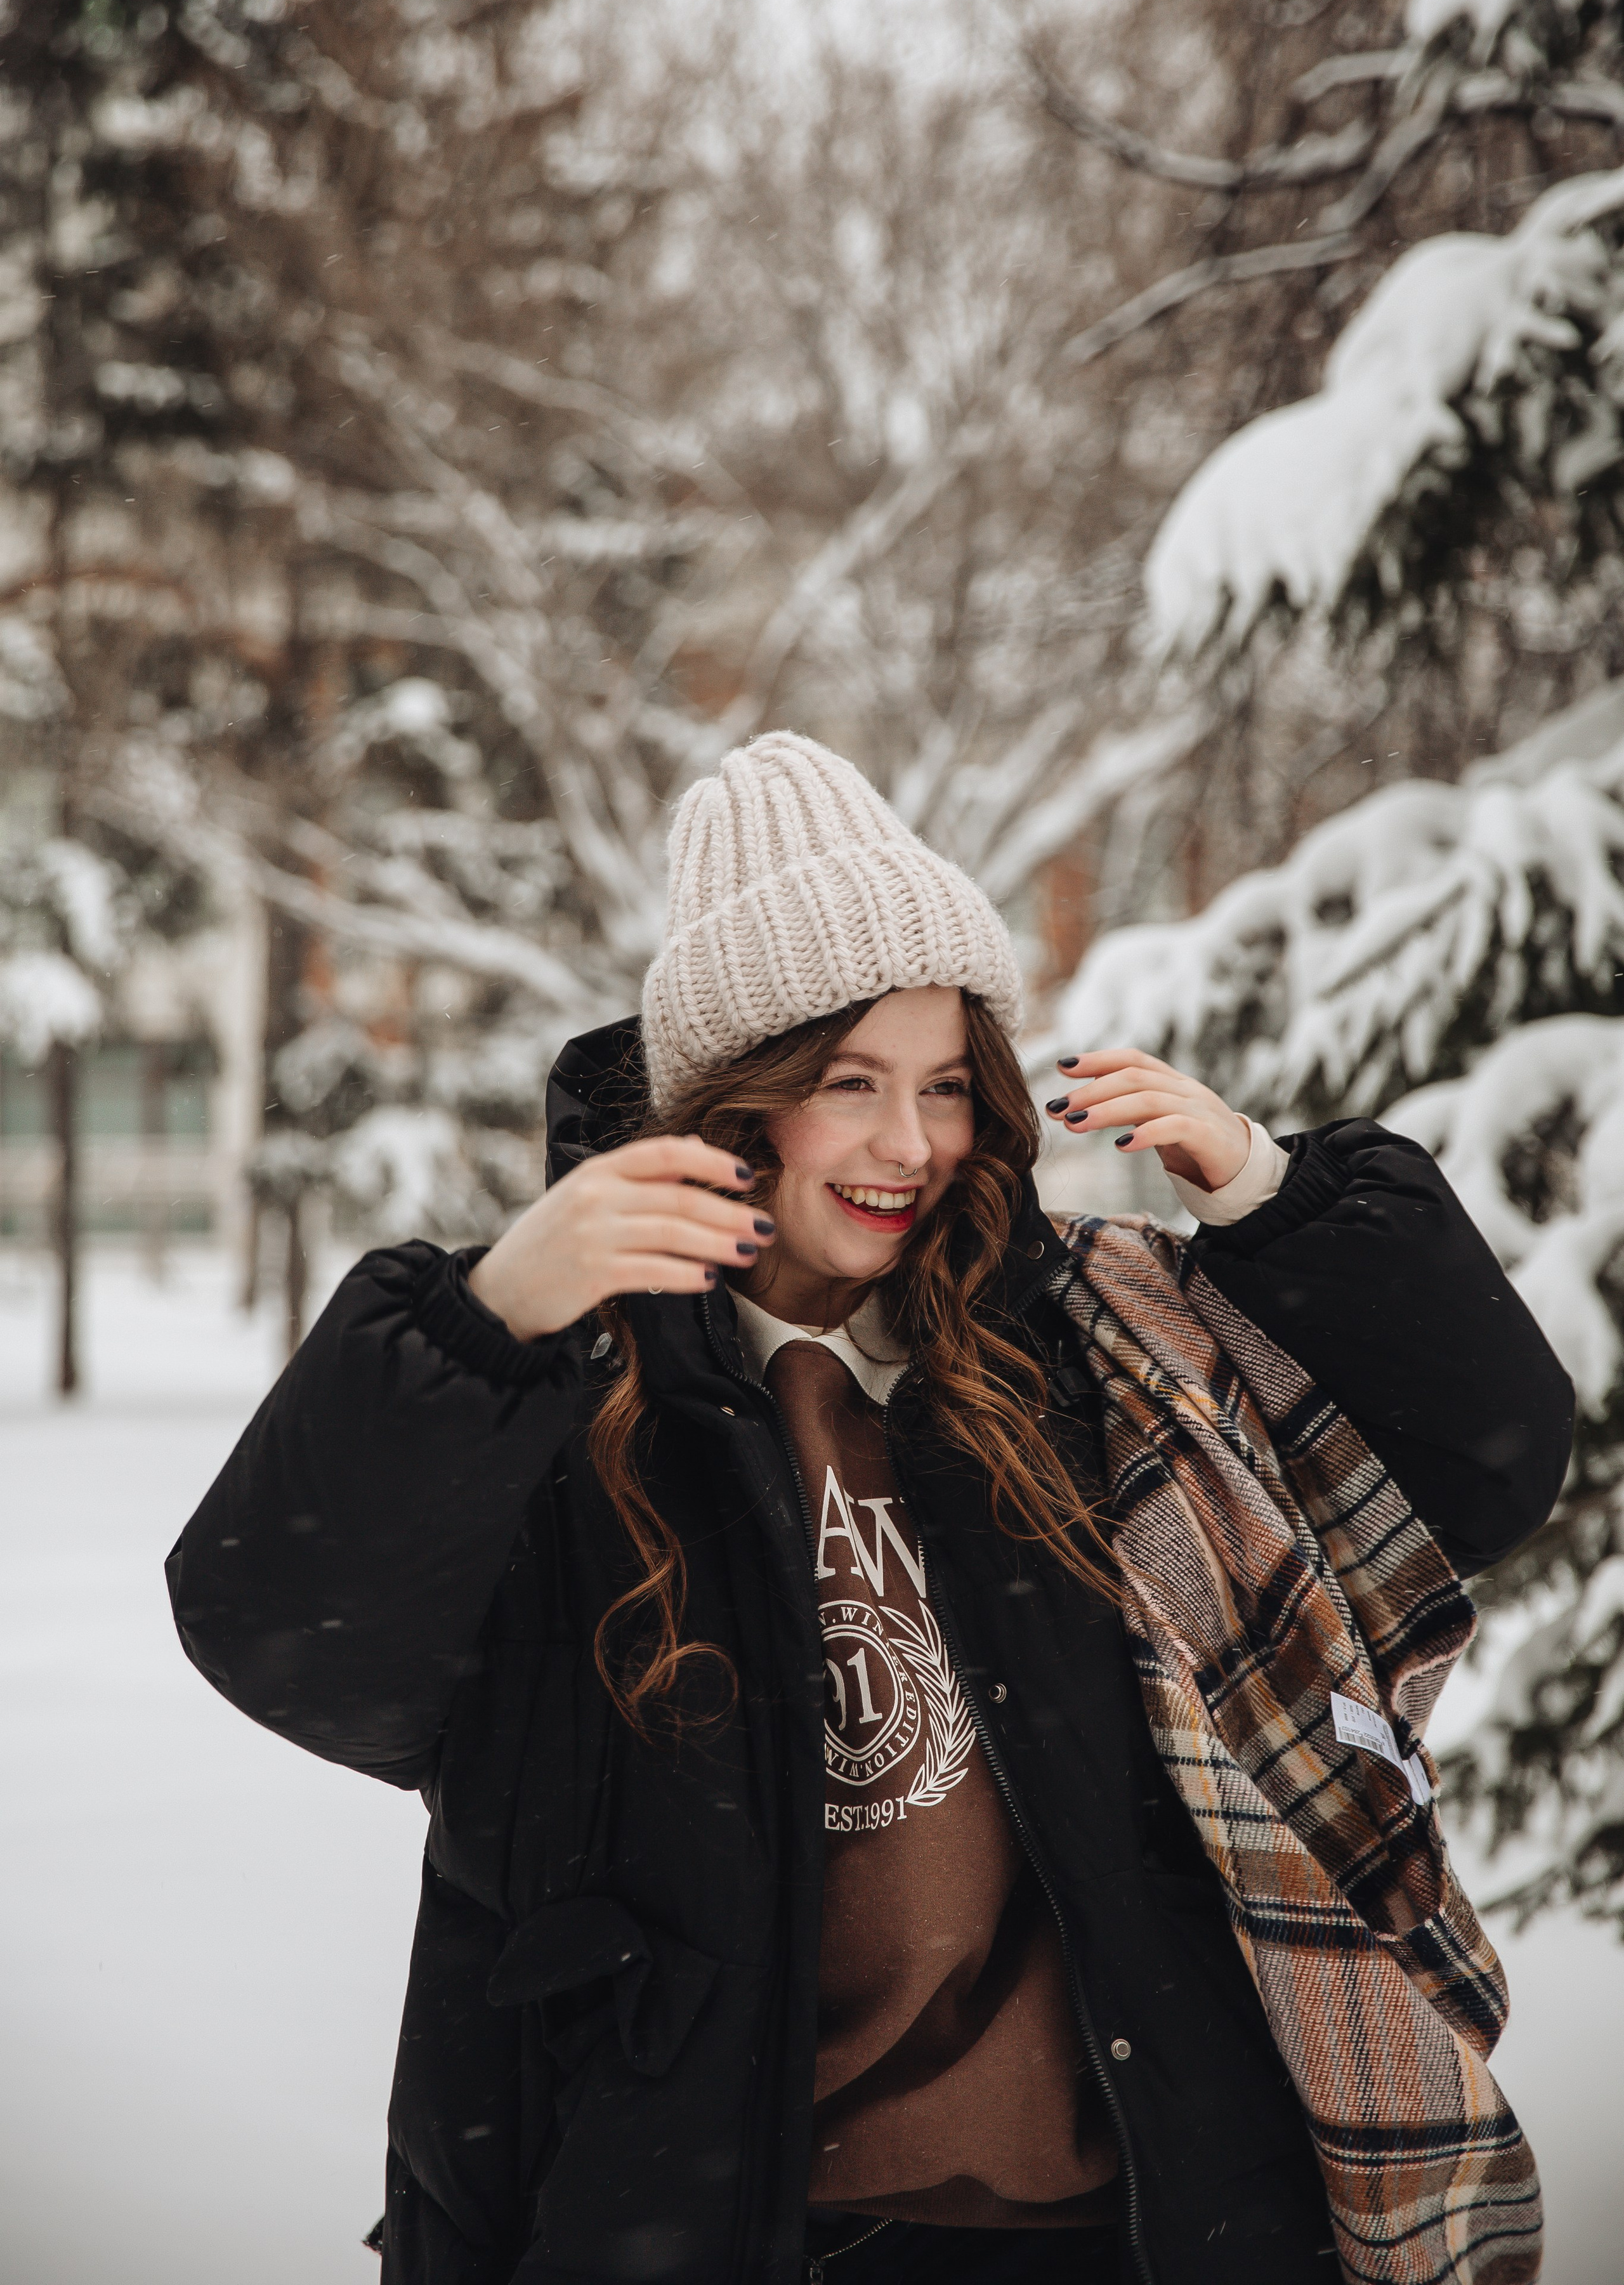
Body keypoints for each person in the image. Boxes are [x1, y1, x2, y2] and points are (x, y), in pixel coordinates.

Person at [169, 733, 1571, 2285]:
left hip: (1132, 2225)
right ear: (737, 1104)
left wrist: (1268, 1196)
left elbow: (1477, 1468)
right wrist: (483, 1330)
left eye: (945, 1086)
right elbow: (294, 1645)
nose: (911, 1146)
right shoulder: (572, 1405)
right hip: (711, 2231)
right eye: (849, 1085)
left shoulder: (1083, 1350)